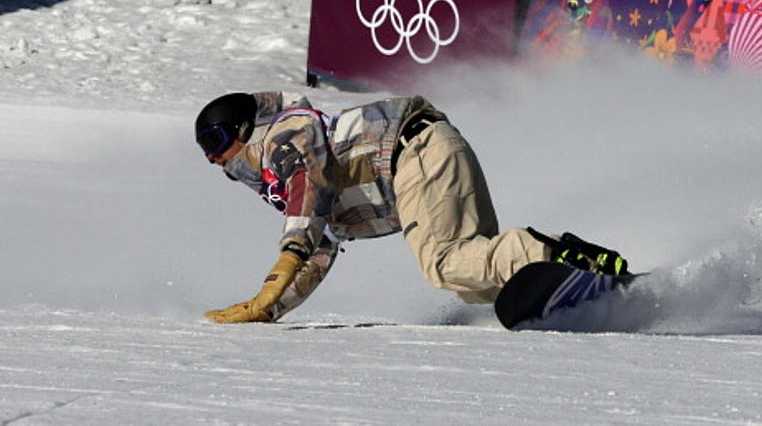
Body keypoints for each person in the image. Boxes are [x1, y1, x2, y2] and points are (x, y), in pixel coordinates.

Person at [196, 91, 628, 323]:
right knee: (473, 279)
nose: (215, 159)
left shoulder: (284, 135)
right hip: (428, 149)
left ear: (243, 128)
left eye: (215, 142)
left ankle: (549, 253)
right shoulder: (282, 175)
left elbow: (312, 184)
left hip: (413, 151)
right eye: (205, 152)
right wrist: (270, 306)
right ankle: (569, 280)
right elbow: (320, 245)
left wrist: (286, 256)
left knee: (443, 263)